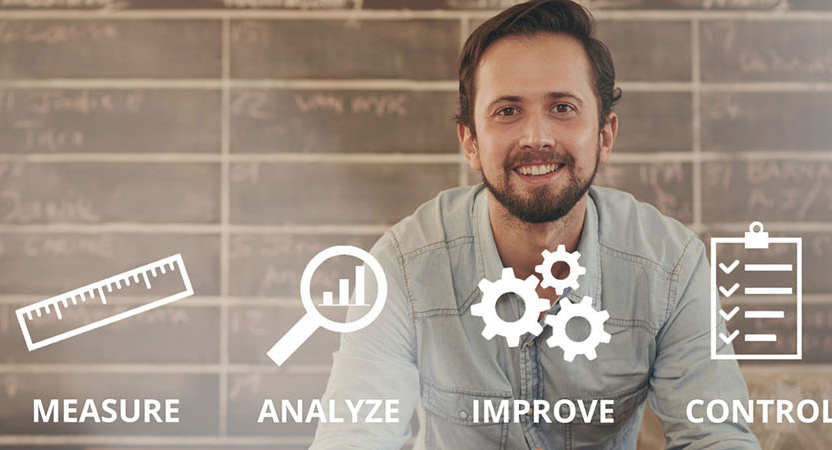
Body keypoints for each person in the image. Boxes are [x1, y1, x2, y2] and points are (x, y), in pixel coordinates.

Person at [310, 0, 760, 448]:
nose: (536, 137)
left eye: (562, 107)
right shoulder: (401, 269)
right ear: (470, 142)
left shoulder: (672, 266)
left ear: (605, 135)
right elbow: (353, 434)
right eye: (508, 111)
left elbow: (715, 436)